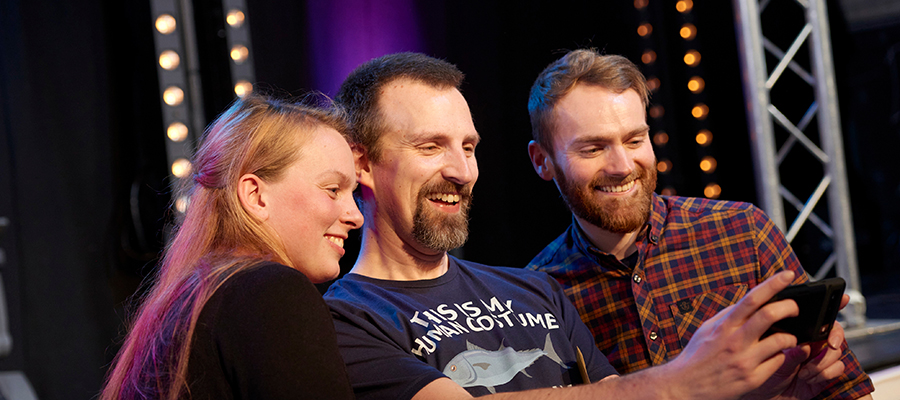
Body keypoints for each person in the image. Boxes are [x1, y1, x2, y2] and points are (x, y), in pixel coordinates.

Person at [324, 52, 845, 400]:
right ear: (362, 164)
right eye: (430, 146)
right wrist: (685, 381)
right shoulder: (343, 319)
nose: (461, 171)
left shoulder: (533, 288)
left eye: (469, 147)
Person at [525, 49, 875, 400]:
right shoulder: (538, 295)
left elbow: (843, 387)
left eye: (634, 140)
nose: (622, 166)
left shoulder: (741, 231)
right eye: (592, 149)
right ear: (543, 161)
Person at [101, 94, 363, 399]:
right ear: (255, 195)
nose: (355, 216)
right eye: (333, 190)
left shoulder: (196, 294)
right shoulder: (270, 292)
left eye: (353, 193)